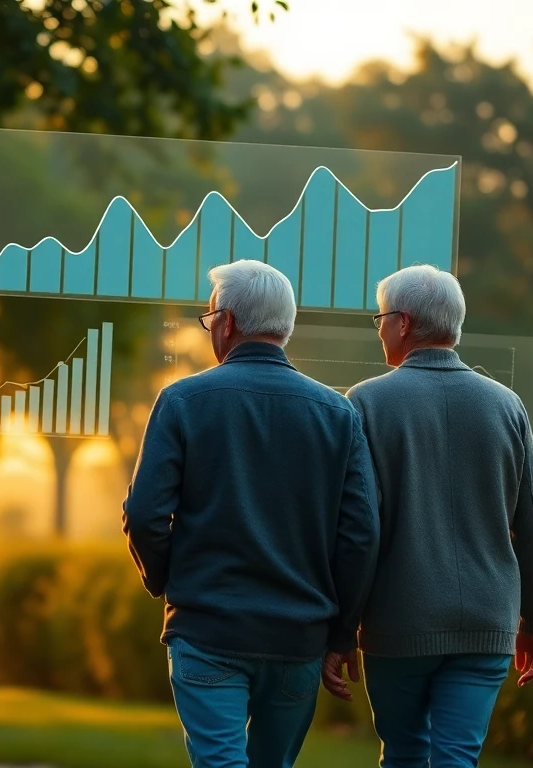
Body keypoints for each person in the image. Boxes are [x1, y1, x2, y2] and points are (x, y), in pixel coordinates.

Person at [123, 259, 380, 768]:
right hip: (298, 638)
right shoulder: (337, 413)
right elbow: (360, 535)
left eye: (210, 316)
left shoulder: (181, 401)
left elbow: (146, 513)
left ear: (228, 323)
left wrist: (169, 581)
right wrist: (340, 632)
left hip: (207, 629)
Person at [334, 264, 533, 768]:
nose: (380, 329)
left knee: (405, 754)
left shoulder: (367, 403)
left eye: (381, 318)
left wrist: (343, 628)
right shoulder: (508, 406)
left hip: (398, 621)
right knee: (457, 758)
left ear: (404, 322)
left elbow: (357, 528)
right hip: (487, 622)